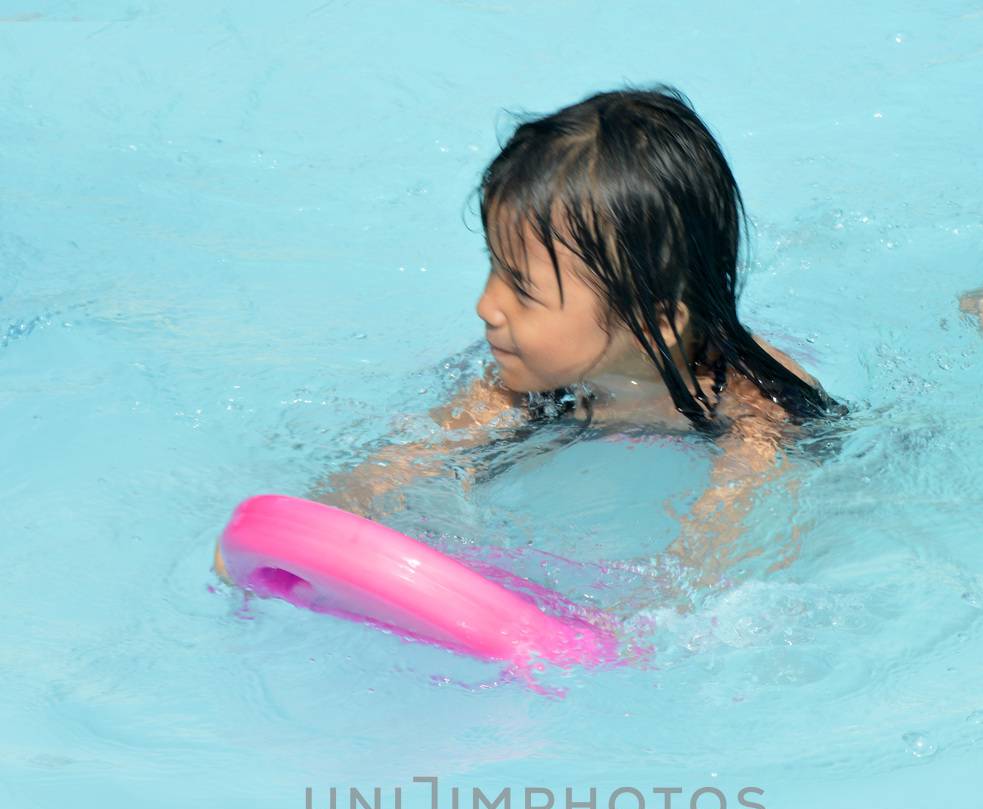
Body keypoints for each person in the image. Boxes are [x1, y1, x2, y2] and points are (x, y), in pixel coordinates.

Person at [216, 85, 847, 592]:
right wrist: (285, 543)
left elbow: (727, 549)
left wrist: (649, 615)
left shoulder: (753, 409)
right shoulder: (525, 387)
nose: (486, 305)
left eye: (521, 287)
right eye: (492, 266)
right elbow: (391, 469)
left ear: (655, 320)